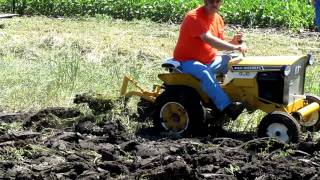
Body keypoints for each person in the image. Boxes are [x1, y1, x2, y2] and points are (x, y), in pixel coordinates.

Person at [173, 0, 247, 120]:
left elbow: (219, 44)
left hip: (210, 59)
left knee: (236, 62)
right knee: (204, 72)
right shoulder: (194, 17)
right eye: (211, 1)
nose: (215, 4)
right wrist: (235, 47)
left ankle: (243, 96)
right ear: (205, 2)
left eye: (218, 1)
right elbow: (210, 40)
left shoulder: (218, 19)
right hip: (186, 61)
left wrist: (233, 42)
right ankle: (227, 107)